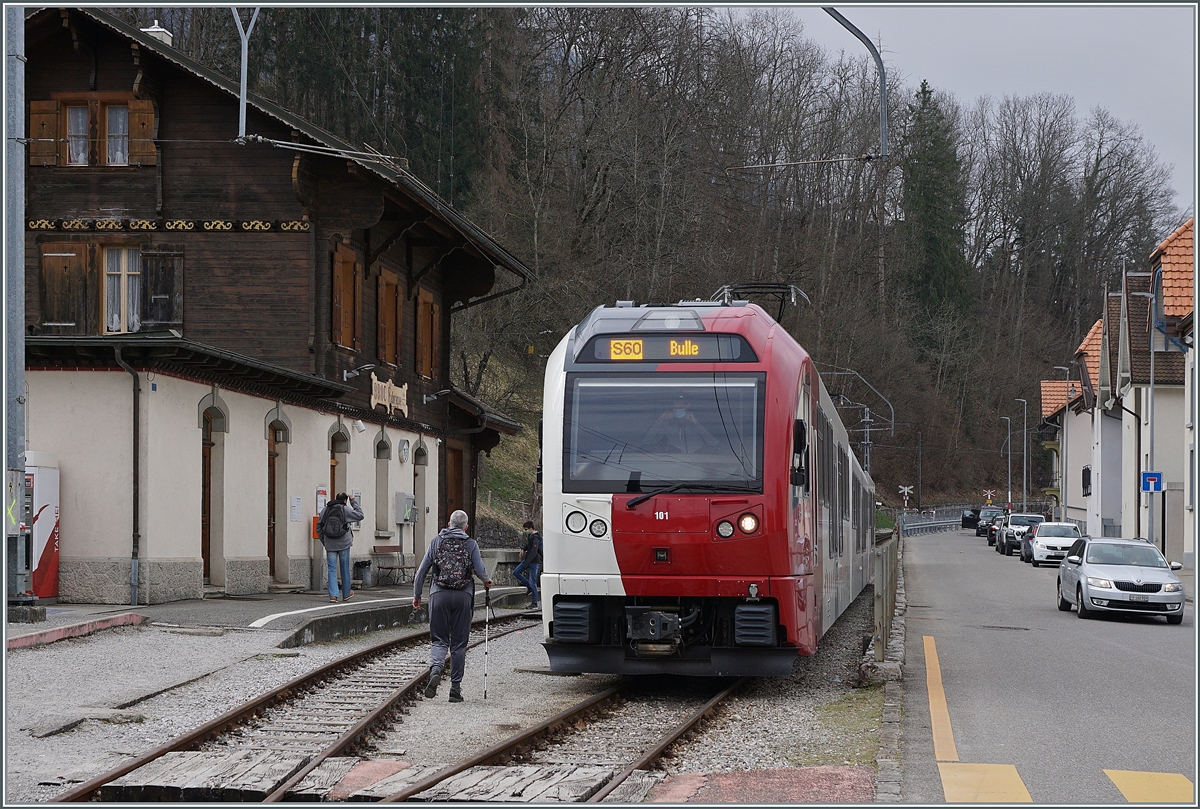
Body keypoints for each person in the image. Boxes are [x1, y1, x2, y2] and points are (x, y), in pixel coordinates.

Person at [412, 510, 492, 703]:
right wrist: (487, 581)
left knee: (439, 640)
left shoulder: (436, 542)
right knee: (458, 645)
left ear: (449, 524)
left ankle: (437, 669)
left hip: (439, 595)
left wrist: (417, 596)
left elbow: (421, 572)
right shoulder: (471, 544)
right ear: (466, 526)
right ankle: (455, 691)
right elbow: (480, 569)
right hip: (463, 597)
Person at [318, 492, 364, 603]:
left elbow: (319, 527)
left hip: (330, 544)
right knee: (344, 568)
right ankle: (346, 593)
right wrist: (353, 501)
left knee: (332, 569)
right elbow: (360, 515)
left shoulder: (326, 510)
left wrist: (325, 542)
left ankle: (333, 595)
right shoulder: (345, 509)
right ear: (345, 500)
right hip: (344, 543)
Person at [642, 394, 718, 453]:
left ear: (688, 405)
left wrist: (696, 422)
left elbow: (713, 442)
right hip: (676, 463)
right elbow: (648, 441)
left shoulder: (700, 420)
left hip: (699, 462)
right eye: (676, 403)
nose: (678, 405)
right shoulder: (667, 425)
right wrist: (660, 420)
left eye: (681, 403)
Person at [513, 520, 542, 608]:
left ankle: (534, 603)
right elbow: (528, 545)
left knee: (533, 582)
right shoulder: (531, 536)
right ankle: (529, 586)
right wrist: (523, 549)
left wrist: (526, 563)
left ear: (531, 528)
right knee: (516, 572)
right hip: (528, 560)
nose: (525, 531)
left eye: (526, 529)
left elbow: (533, 551)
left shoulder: (536, 538)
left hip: (534, 561)